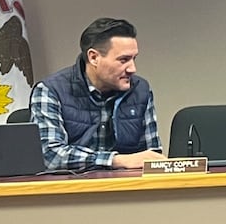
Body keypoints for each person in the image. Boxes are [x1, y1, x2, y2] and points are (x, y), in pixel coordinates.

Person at [31, 18, 166, 170]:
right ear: (94, 57)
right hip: (71, 189)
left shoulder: (140, 90)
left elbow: (152, 157)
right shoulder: (51, 90)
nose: (132, 69)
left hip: (127, 188)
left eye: (134, 59)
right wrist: (116, 160)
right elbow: (51, 156)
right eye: (123, 60)